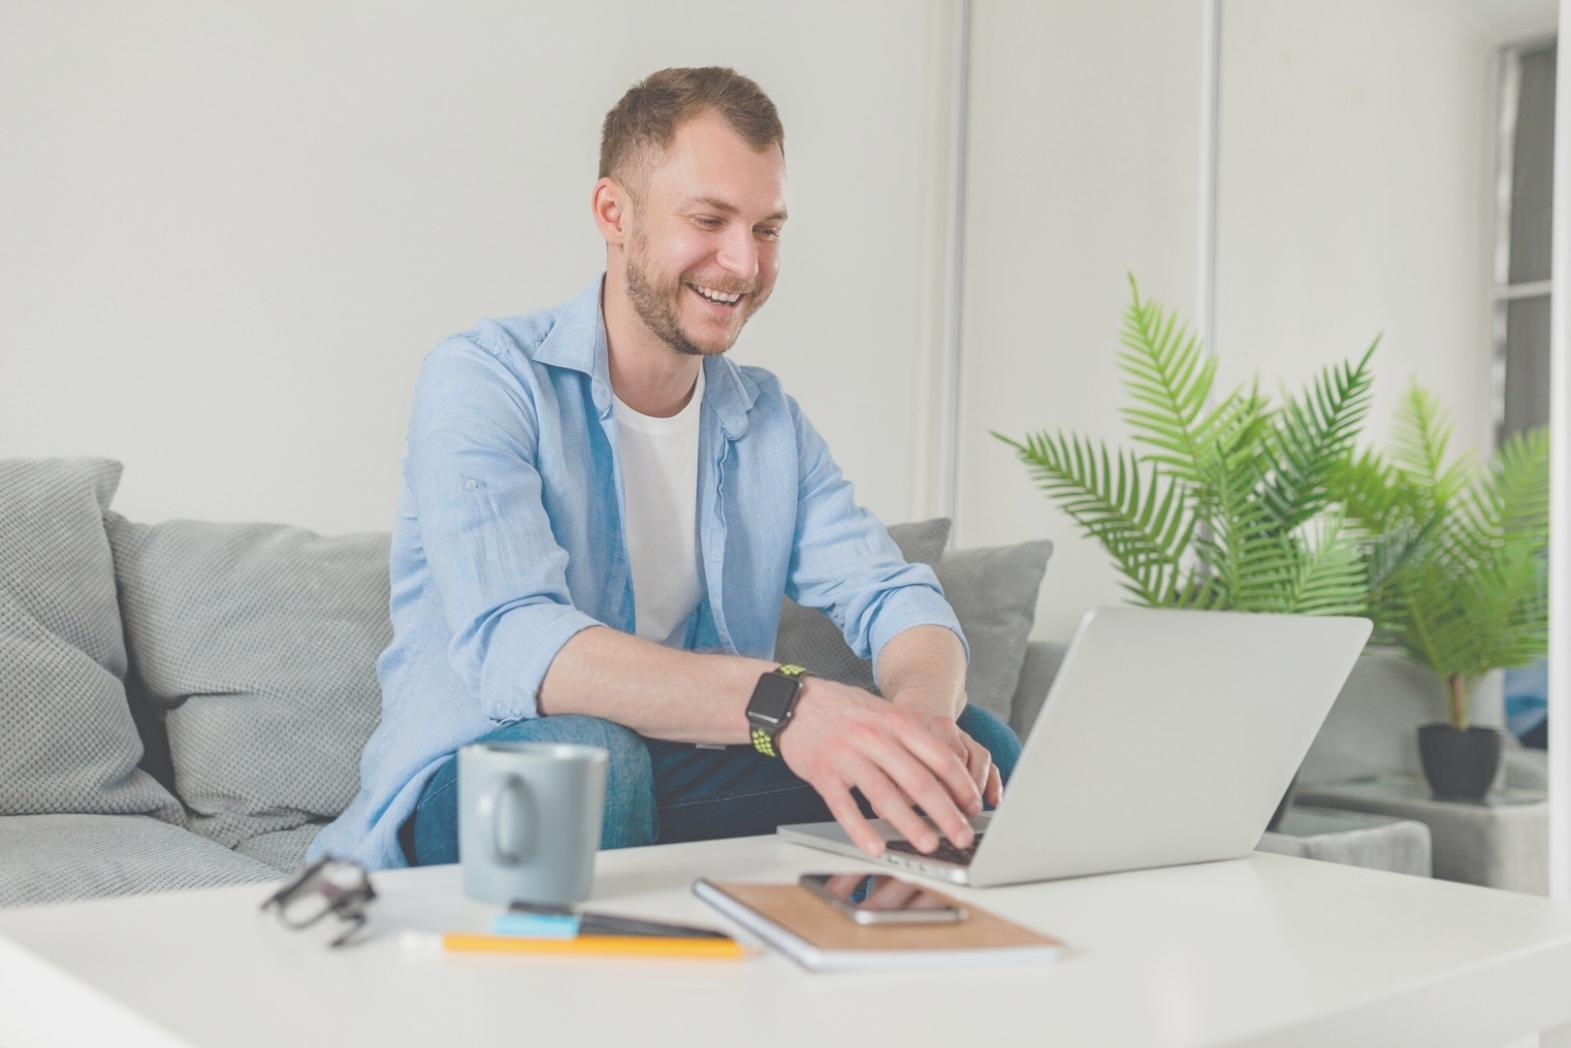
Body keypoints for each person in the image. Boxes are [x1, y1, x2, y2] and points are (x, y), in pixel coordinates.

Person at [309, 66, 1022, 872]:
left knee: (972, 752)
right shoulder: (484, 378)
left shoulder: (767, 422)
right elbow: (516, 640)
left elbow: (893, 598)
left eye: (766, 230)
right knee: (590, 761)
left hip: (678, 773)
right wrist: (786, 705)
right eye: (709, 220)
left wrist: (921, 722)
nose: (742, 264)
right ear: (613, 213)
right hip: (485, 786)